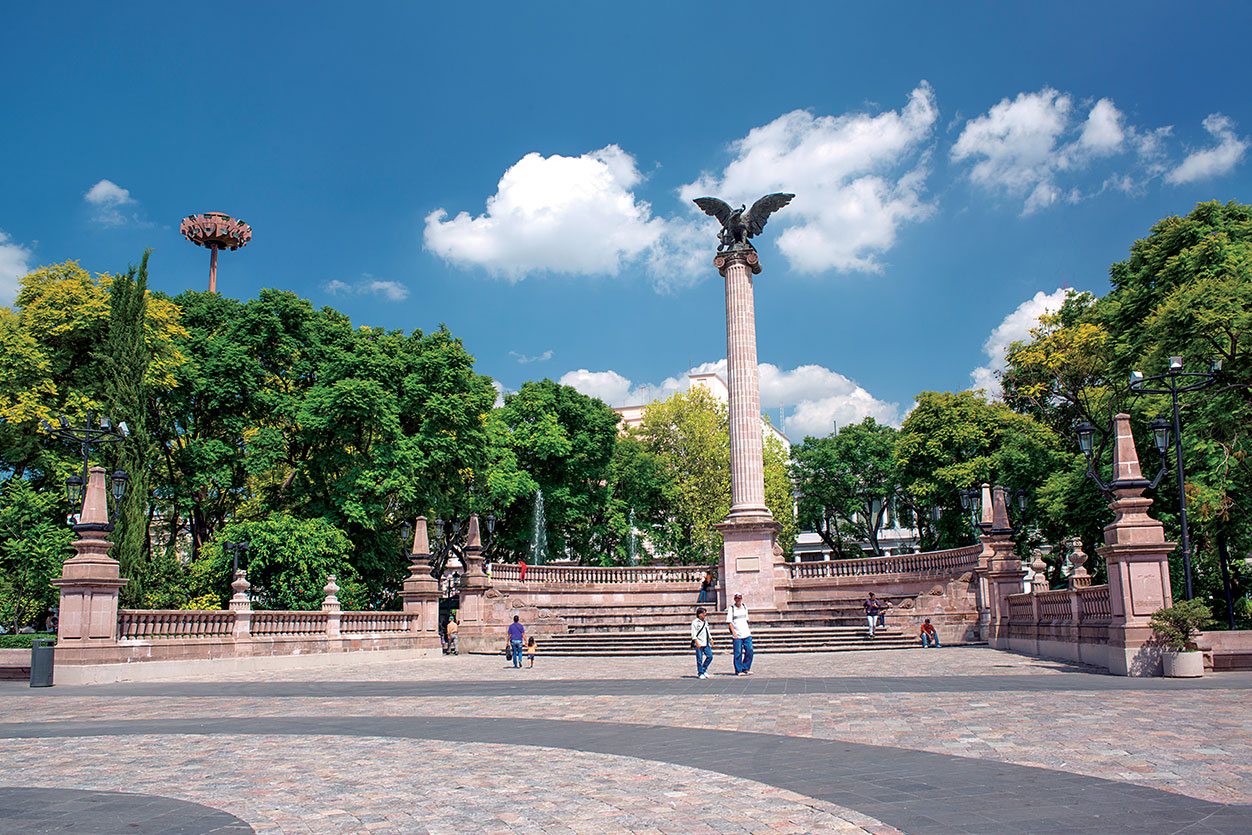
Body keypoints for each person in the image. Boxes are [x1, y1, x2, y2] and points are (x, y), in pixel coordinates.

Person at [726, 593, 753, 675]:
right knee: (738, 652)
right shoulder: (732, 609)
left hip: (746, 633)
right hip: (737, 634)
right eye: (736, 598)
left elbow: (746, 620)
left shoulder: (744, 607)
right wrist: (734, 633)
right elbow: (730, 622)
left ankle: (746, 668)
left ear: (741, 599)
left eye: (739, 598)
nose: (737, 600)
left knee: (750, 650)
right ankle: (738, 670)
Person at [691, 607, 713, 678]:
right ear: (699, 614)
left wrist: (711, 638)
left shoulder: (705, 622)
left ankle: (704, 669)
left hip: (706, 642)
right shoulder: (695, 622)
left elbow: (707, 631)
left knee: (710, 656)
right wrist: (696, 642)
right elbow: (693, 633)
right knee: (699, 658)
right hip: (699, 642)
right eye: (703, 613)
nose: (704, 615)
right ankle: (700, 673)